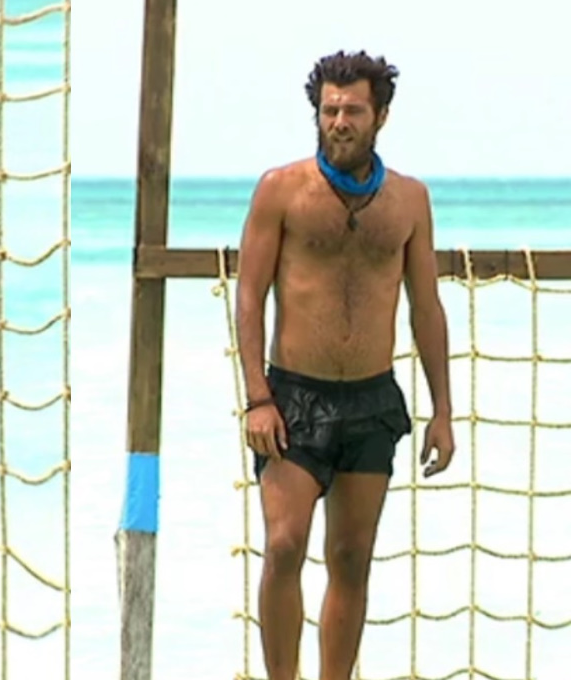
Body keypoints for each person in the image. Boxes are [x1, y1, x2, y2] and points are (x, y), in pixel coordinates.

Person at [235, 50, 456, 680]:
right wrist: (257, 396)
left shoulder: (410, 200)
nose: (338, 122)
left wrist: (443, 412)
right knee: (284, 546)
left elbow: (426, 307)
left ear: (380, 116)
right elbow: (249, 295)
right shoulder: (281, 189)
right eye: (329, 110)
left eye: (352, 110)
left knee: (352, 558)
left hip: (371, 399)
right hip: (293, 398)